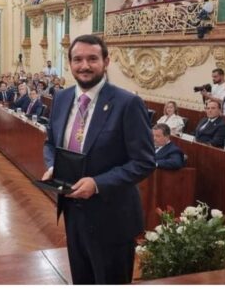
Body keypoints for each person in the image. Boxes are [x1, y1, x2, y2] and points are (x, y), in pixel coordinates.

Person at [42, 34, 155, 284]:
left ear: (106, 61)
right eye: (78, 59)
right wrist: (52, 165)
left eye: (92, 59)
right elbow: (50, 143)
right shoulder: (61, 98)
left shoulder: (128, 103)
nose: (84, 65)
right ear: (70, 63)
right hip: (72, 210)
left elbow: (145, 162)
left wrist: (97, 183)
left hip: (112, 216)